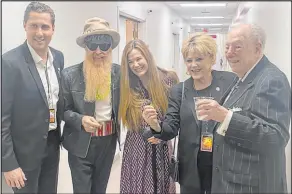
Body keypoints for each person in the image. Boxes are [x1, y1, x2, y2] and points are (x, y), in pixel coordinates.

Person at [195, 23, 291, 193]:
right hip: (230, 182)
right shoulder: (242, 77)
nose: (229, 53)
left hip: (250, 187)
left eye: (237, 47)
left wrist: (225, 118)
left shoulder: (271, 79)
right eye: (227, 46)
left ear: (257, 48)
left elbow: (275, 137)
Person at [142, 33, 238, 193]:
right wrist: (155, 125)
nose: (193, 65)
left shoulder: (230, 81)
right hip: (191, 166)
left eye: (199, 59)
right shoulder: (179, 90)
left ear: (212, 58)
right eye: (189, 60)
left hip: (222, 163)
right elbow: (170, 129)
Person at [2, 2, 64, 193]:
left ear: (53, 29)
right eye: (33, 25)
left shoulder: (58, 58)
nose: (39, 32)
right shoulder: (9, 63)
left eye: (45, 26)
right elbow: (2, 118)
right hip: (24, 154)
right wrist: (9, 164)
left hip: (52, 146)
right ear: (24, 26)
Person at [61, 17, 121, 194]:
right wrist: (80, 120)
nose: (98, 51)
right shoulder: (69, 75)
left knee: (100, 189)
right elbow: (62, 111)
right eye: (93, 45)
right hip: (80, 142)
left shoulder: (119, 73)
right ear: (85, 47)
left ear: (110, 47)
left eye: (104, 45)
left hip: (108, 142)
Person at [118, 39, 179, 193]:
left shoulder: (168, 79)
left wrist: (159, 130)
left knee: (161, 184)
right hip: (137, 145)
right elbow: (127, 118)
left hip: (161, 143)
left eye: (139, 59)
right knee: (139, 186)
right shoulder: (129, 85)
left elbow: (175, 116)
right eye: (130, 62)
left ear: (148, 56)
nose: (135, 65)